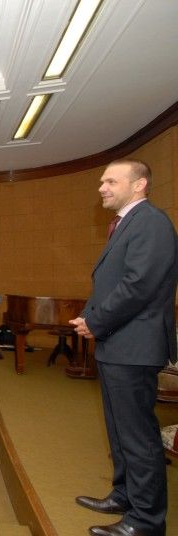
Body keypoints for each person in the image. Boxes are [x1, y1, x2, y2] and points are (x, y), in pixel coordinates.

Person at [69, 159, 177, 536]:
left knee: (138, 437)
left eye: (111, 181)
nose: (102, 186)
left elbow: (138, 285)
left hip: (135, 346)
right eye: (102, 180)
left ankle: (146, 521)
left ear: (139, 185)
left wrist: (96, 322)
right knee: (118, 431)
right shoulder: (127, 223)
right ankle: (124, 495)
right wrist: (89, 315)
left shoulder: (151, 223)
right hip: (120, 344)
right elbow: (110, 283)